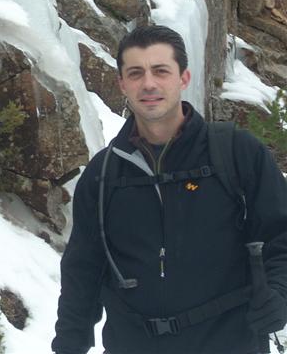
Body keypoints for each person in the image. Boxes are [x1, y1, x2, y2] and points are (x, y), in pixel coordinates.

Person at [52, 25, 287, 354]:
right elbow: (83, 269)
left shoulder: (237, 153)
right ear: (122, 84)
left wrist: (279, 293)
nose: (148, 83)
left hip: (229, 342)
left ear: (183, 78)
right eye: (136, 73)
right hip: (132, 345)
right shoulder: (104, 173)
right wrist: (69, 343)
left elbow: (280, 233)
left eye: (161, 71)